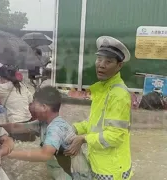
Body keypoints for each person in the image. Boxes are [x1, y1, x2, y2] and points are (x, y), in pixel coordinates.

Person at [64, 36, 133, 180]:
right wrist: (74, 128)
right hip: (99, 162)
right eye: (99, 59)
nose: (101, 65)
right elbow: (95, 124)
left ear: (119, 65)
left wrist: (82, 139)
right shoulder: (102, 90)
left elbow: (114, 136)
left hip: (111, 171)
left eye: (108, 61)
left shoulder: (118, 94)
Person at [1, 86, 91, 180]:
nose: (30, 107)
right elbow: (17, 127)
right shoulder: (43, 123)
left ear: (44, 107)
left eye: (34, 104)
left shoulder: (56, 128)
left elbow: (44, 155)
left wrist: (9, 153)